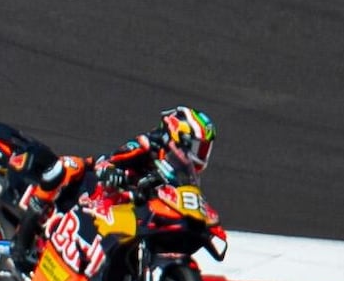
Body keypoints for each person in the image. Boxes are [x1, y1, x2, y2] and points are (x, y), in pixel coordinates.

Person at [17, 105, 214, 249]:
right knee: (68, 166)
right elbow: (110, 160)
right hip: (100, 192)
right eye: (199, 147)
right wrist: (112, 171)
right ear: (179, 135)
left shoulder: (182, 174)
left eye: (205, 149)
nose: (201, 155)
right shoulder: (147, 145)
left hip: (131, 211)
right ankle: (21, 243)